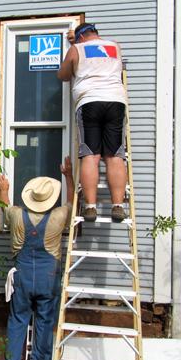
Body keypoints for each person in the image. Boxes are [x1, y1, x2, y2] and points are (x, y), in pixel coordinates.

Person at [0, 156, 74, 360]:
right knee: (45, 320)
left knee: (17, 320)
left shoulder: (17, 215)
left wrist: (4, 189)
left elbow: (4, 207)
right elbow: (72, 203)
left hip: (23, 277)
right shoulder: (59, 217)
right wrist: (68, 175)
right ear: (50, 200)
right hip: (48, 277)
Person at [57, 22, 128, 222]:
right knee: (114, 155)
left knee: (91, 155)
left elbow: (63, 76)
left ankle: (90, 208)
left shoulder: (77, 49)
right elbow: (97, 51)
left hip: (89, 101)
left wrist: (71, 49)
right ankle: (118, 206)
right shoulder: (114, 46)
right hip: (115, 101)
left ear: (79, 37)